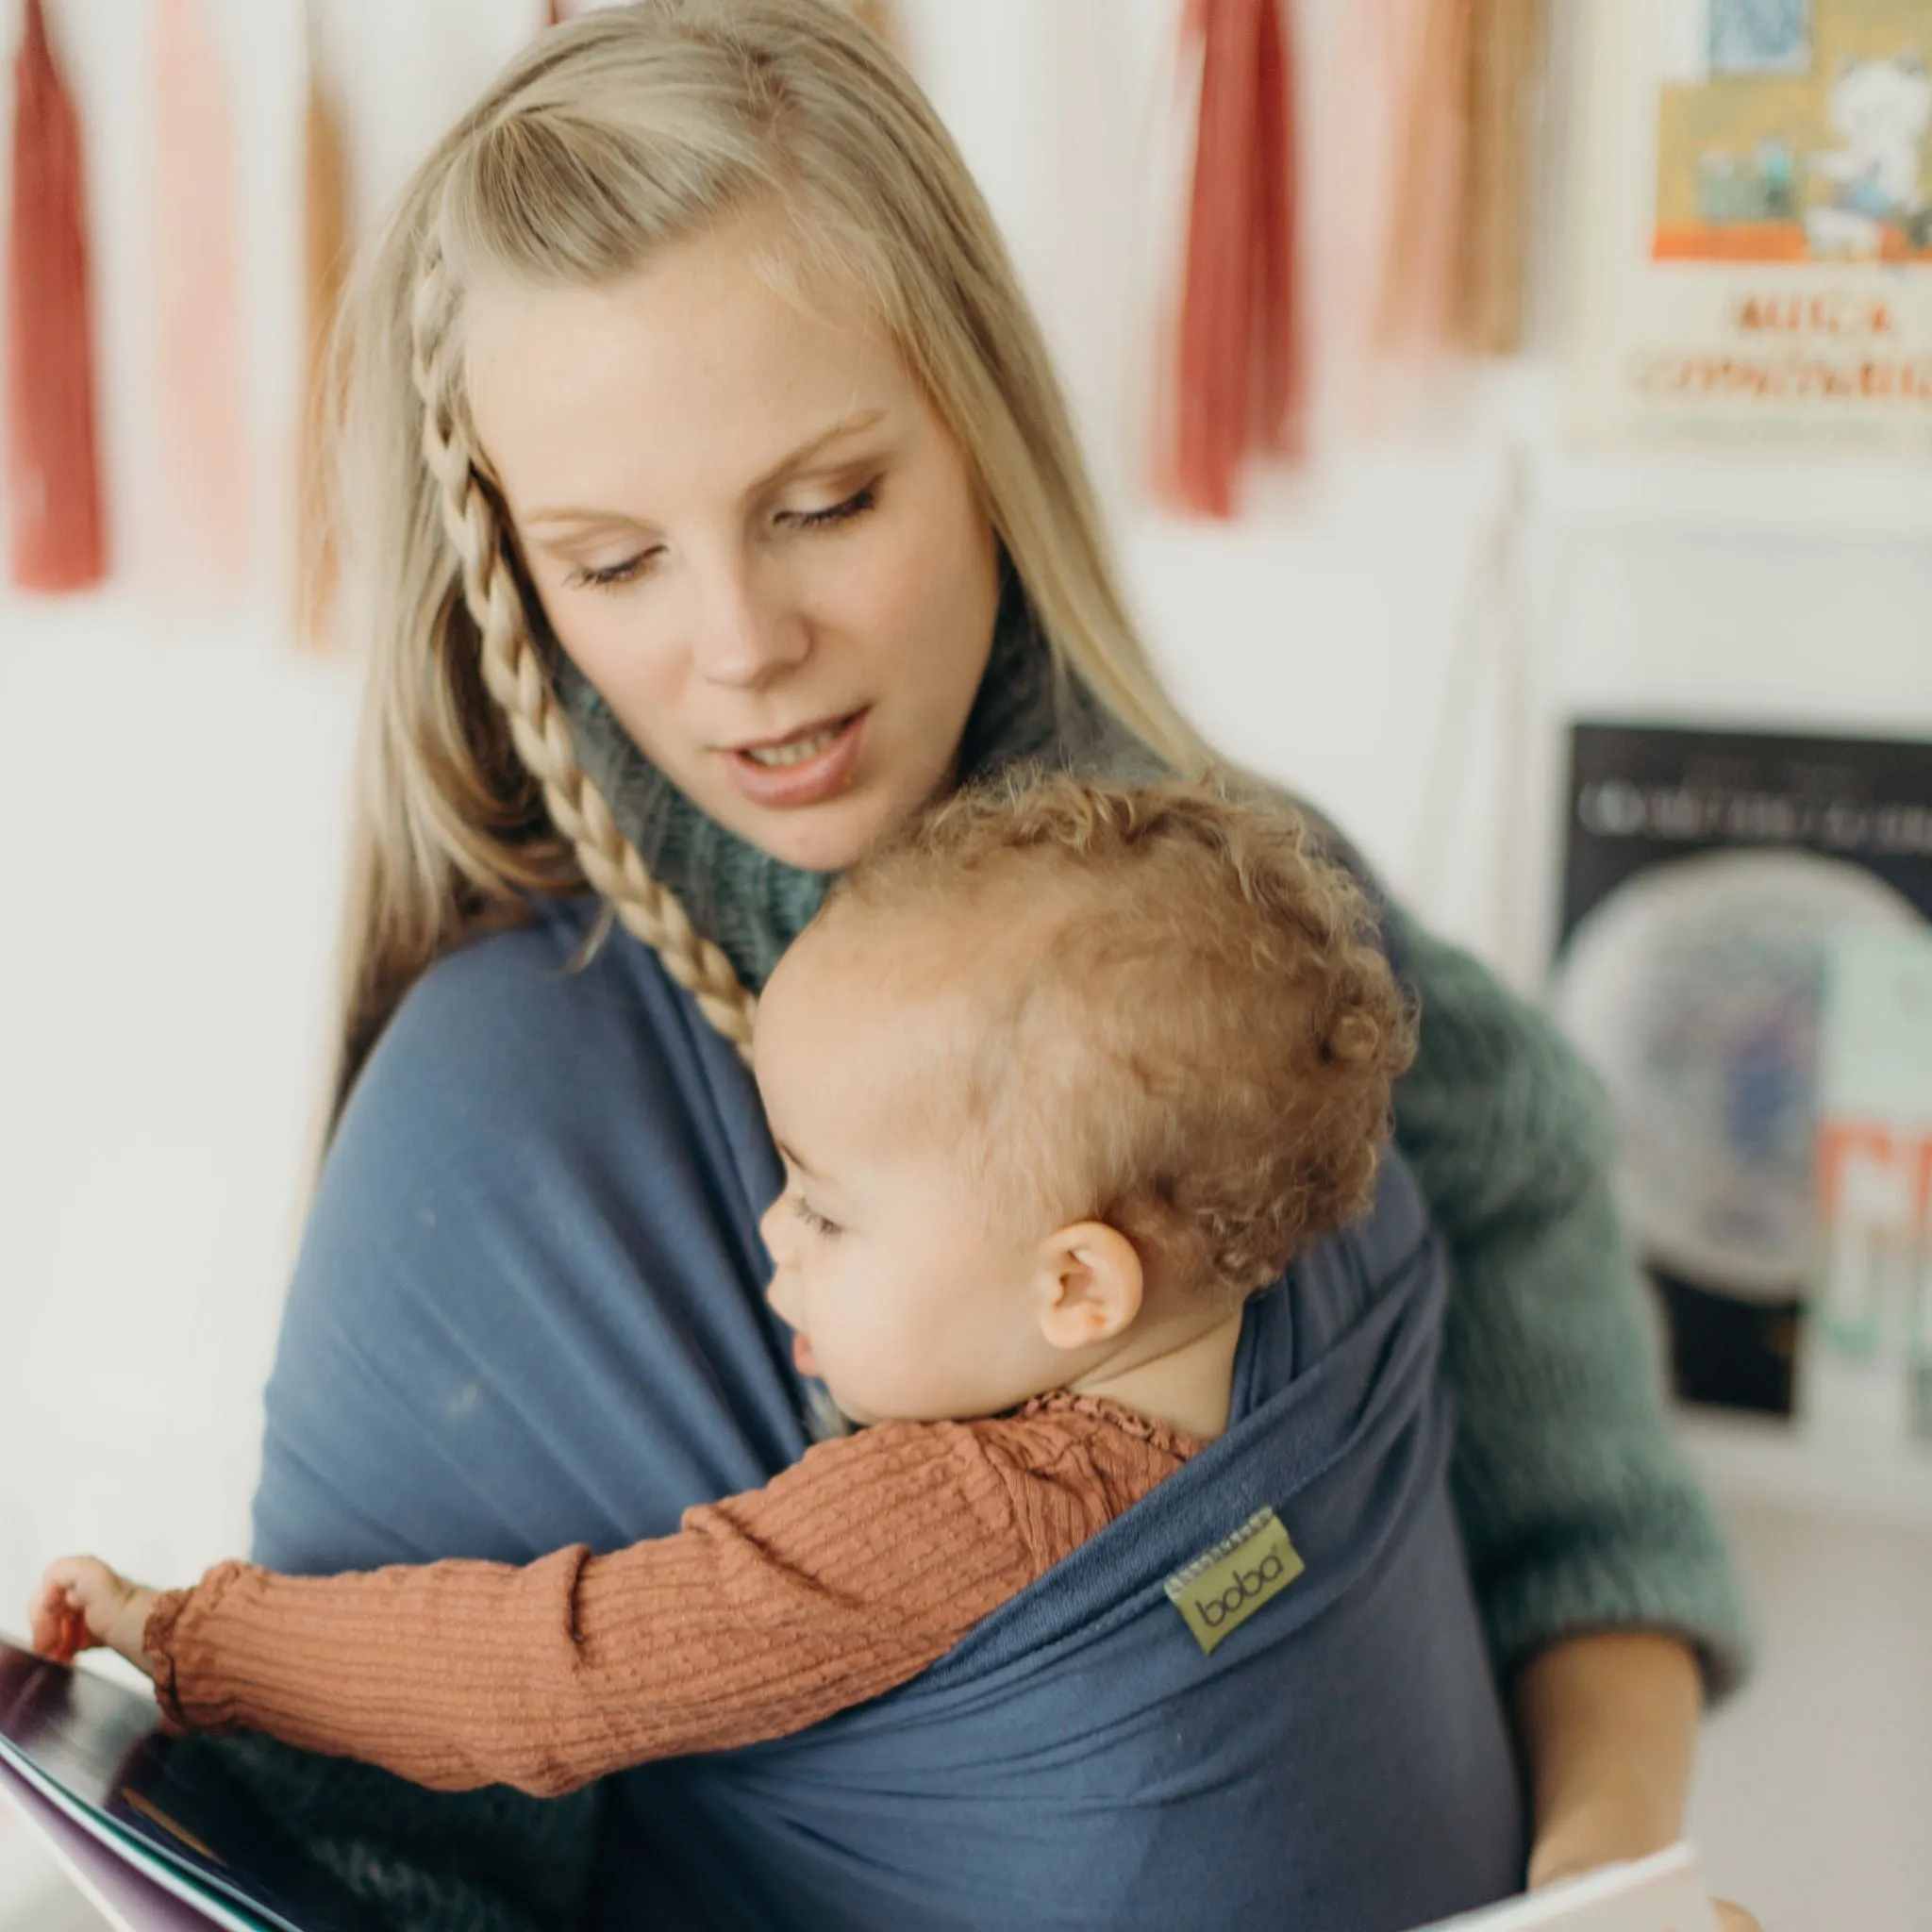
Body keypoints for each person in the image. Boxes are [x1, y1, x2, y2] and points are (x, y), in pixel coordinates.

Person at [232, 1, 1755, 1926]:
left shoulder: (1241, 906)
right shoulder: (505, 1131)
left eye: (824, 504)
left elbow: (1527, 1247)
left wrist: (1612, 1856)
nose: (743, 641)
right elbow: (366, 1865)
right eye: (614, 562)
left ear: (987, 431)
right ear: (511, 575)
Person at [36, 777, 1420, 1795]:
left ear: (1076, 1287)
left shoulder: (960, 1515)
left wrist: (185, 1629)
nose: (772, 1231)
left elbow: (553, 1679)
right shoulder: (1300, 1342)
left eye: (825, 1204)